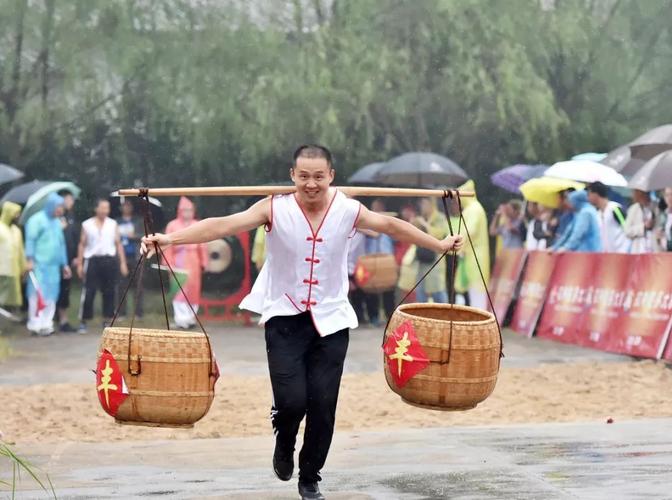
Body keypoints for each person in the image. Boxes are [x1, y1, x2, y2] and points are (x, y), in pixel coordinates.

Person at [141, 144, 464, 500]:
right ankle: (285, 439)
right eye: (304, 176)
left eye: (319, 177)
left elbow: (390, 225)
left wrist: (438, 244)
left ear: (331, 176)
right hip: (284, 318)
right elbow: (223, 226)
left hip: (332, 321)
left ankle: (310, 476)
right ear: (293, 175)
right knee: (293, 402)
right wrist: (170, 239)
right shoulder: (273, 208)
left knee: (323, 405)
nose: (311, 184)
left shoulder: (347, 209)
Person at [77, 199, 128, 334]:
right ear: (96, 209)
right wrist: (80, 263)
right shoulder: (87, 224)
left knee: (109, 291)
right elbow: (82, 244)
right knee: (89, 291)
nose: (105, 211)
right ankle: (83, 320)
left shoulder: (112, 224)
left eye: (107, 208)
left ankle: (107, 319)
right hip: (92, 260)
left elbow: (118, 244)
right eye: (103, 208)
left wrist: (122, 262)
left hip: (109, 260)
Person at [24, 193, 70, 336]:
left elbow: (61, 244)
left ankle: (46, 324)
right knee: (37, 295)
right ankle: (35, 324)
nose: (61, 210)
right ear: (51, 205)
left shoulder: (57, 222)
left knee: (52, 295)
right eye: (59, 207)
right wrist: (30, 259)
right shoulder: (35, 220)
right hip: (39, 265)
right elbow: (30, 240)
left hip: (54, 267)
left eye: (62, 207)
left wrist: (65, 264)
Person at [163, 197, 208, 329]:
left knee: (194, 289)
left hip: (194, 260)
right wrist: (168, 263)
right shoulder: (172, 225)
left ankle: (190, 318)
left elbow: (203, 243)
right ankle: (181, 319)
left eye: (190, 210)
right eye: (185, 210)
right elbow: (167, 246)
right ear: (180, 211)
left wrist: (204, 261)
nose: (187, 213)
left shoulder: (197, 224)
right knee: (179, 290)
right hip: (178, 261)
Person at [455, 179, 490, 310]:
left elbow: (471, 230)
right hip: (469, 255)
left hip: (476, 256)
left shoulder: (475, 209)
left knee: (477, 291)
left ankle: (481, 325)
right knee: (469, 290)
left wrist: (457, 243)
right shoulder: (470, 209)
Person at [363, 199, 396, 325]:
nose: (376, 210)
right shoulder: (366, 223)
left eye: (379, 208)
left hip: (387, 260)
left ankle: (390, 317)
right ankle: (374, 317)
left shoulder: (391, 222)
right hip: (371, 260)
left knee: (389, 291)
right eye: (374, 208)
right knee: (372, 290)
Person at [412, 197, 449, 304]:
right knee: (421, 292)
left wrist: (425, 224)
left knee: (438, 292)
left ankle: (445, 316)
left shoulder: (440, 218)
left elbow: (440, 234)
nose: (422, 207)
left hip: (435, 261)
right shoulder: (421, 218)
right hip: (422, 260)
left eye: (424, 204)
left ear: (431, 204)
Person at [117, 199, 144, 317]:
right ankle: (122, 312)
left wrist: (134, 236)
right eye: (124, 206)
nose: (126, 208)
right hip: (121, 257)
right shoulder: (116, 222)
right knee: (121, 285)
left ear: (131, 208)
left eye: (128, 205)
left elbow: (143, 235)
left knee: (138, 285)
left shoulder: (138, 221)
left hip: (136, 256)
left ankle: (138, 313)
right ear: (121, 208)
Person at [56, 191, 79, 332]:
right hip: (56, 261)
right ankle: (57, 318)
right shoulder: (55, 218)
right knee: (56, 289)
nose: (71, 202)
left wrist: (76, 256)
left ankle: (63, 320)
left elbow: (75, 238)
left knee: (65, 289)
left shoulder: (71, 216)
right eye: (69, 199)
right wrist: (60, 229)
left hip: (69, 260)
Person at [586, 181, 628, 253]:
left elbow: (627, 227)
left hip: (621, 253)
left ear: (596, 194)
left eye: (589, 194)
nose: (588, 198)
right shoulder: (597, 214)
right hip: (606, 255)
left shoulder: (615, 208)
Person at [0, 202, 26, 309]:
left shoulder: (16, 231)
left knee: (11, 299)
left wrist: (23, 267)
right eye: (16, 214)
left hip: (13, 270)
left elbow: (20, 251)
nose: (17, 216)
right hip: (1, 270)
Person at [624, 189, 656, 254]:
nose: (633, 195)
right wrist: (643, 226)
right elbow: (627, 231)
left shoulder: (656, 206)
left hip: (654, 249)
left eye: (635, 192)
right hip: (638, 250)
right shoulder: (633, 209)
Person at [656, 187, 672, 251]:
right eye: (667, 195)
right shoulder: (664, 214)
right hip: (666, 256)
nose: (669, 198)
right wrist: (658, 237)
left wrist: (667, 244)